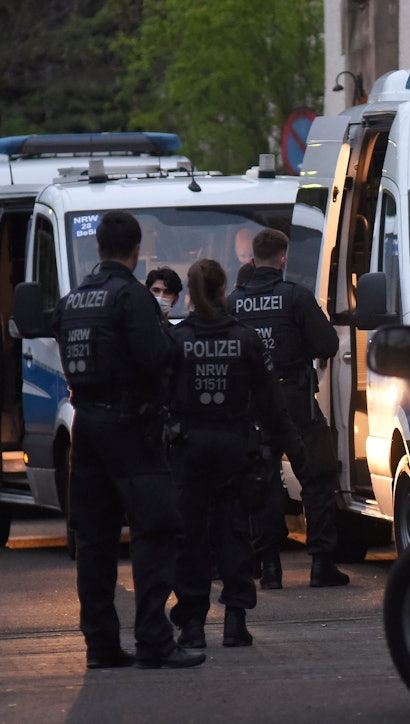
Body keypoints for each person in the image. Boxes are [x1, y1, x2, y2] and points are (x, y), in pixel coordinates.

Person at [52, 210, 204, 670]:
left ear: (98, 246)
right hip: (131, 428)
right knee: (155, 530)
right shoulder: (131, 297)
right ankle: (154, 641)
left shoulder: (73, 300)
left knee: (94, 539)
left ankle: (100, 646)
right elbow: (155, 356)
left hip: (86, 424)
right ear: (137, 250)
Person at [167, 259, 307, 649]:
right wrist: (294, 449)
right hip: (234, 445)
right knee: (234, 532)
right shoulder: (245, 339)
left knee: (191, 536)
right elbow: (271, 401)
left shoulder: (176, 340)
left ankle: (192, 624)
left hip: (189, 448)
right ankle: (234, 620)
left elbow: (160, 396)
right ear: (222, 290)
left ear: (191, 293)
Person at [227, 228, 352, 588]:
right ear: (283, 259)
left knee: (263, 481)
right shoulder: (295, 296)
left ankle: (270, 569)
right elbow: (327, 344)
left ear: (253, 259)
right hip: (294, 400)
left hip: (252, 404)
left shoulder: (234, 303)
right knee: (316, 476)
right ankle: (321, 563)